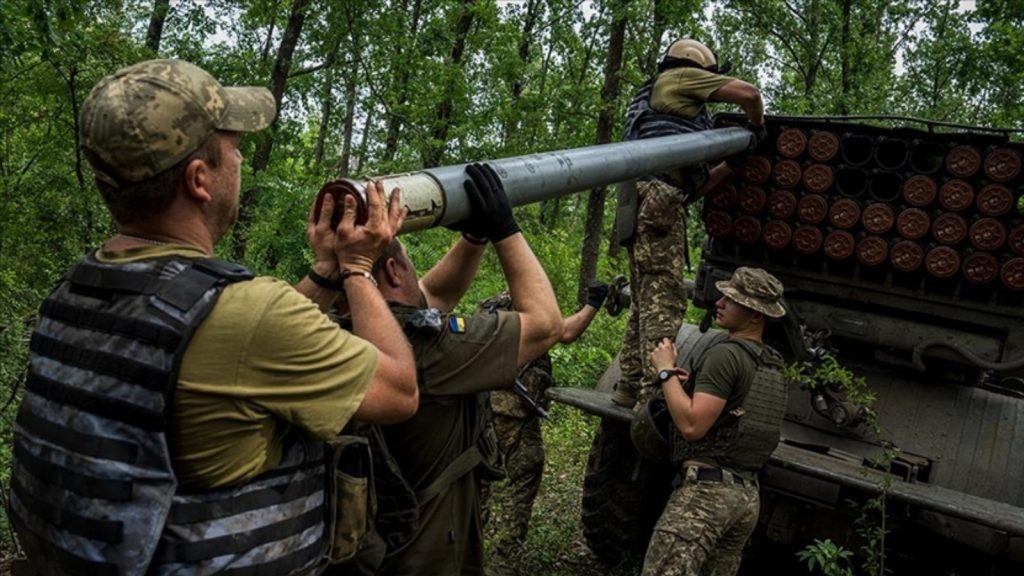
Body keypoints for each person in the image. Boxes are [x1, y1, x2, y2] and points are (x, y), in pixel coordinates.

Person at [8, 59, 418, 576]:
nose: (241, 161)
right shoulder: (252, 311)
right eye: (234, 149)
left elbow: (227, 343)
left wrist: (326, 273)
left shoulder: (76, 287)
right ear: (199, 179)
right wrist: (359, 269)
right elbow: (400, 392)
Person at [365, 163, 563, 575]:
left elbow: (434, 294)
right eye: (407, 260)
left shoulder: (344, 326)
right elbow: (546, 325)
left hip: (372, 547)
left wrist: (475, 236)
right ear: (392, 270)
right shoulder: (428, 350)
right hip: (425, 554)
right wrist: (505, 229)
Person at [613, 38, 766, 408]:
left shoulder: (663, 118)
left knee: (645, 301)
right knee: (665, 300)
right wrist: (757, 128)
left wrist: (731, 164)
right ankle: (654, 397)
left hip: (646, 205)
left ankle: (629, 385)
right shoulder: (679, 78)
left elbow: (691, 187)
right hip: (660, 205)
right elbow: (749, 94)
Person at [642, 267, 788, 576]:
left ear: (756, 316)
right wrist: (682, 390)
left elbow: (693, 426)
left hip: (706, 497)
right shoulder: (772, 364)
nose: (719, 303)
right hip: (746, 498)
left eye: (732, 300)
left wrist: (665, 371)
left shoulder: (726, 355)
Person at [478, 280, 609, 573]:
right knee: (521, 483)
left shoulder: (488, 308)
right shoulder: (526, 308)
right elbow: (566, 332)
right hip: (514, 415)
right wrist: (593, 304)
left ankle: (467, 552)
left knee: (478, 483)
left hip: (483, 412)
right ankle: (503, 562)